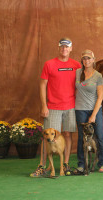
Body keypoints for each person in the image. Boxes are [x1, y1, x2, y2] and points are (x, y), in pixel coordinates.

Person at [30, 37, 81, 177]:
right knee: (48, 137)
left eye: (67, 47)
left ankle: (65, 164)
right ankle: (42, 166)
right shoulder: (49, 64)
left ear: (71, 48)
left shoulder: (77, 65)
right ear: (58, 48)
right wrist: (44, 105)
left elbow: (82, 84)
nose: (64, 49)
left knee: (67, 135)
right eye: (62, 47)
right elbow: (42, 85)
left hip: (70, 106)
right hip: (52, 107)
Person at [72, 49, 103, 174]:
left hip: (95, 110)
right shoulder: (77, 73)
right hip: (80, 110)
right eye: (84, 58)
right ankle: (82, 164)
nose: (86, 61)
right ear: (82, 60)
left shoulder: (98, 76)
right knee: (82, 137)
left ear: (93, 60)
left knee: (99, 136)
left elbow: (101, 96)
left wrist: (93, 115)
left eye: (89, 58)